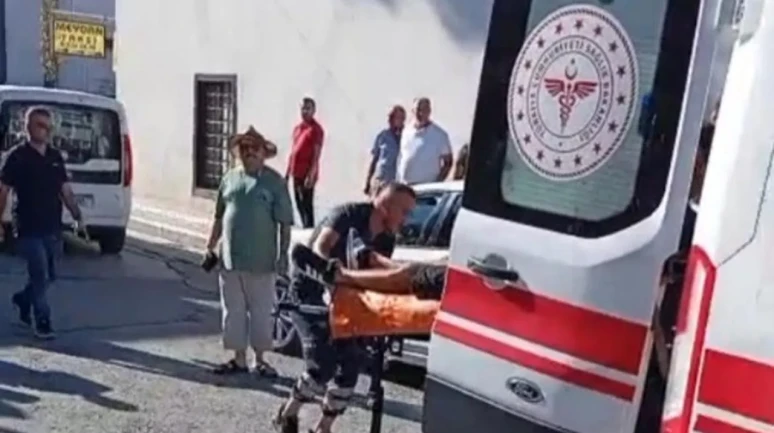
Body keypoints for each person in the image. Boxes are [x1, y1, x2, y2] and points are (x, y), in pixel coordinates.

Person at [273, 182, 417, 433]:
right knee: (322, 364)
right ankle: (288, 414)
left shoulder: (386, 239)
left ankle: (323, 428)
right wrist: (332, 278)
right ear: (386, 206)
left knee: (351, 364)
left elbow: (374, 274)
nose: (407, 219)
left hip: (346, 300)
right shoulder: (348, 215)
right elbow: (321, 247)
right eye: (404, 211)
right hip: (310, 294)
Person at [205, 125, 293, 377]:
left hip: (262, 261)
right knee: (233, 311)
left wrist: (283, 255)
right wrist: (210, 246)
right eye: (244, 147)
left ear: (264, 152)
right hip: (230, 259)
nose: (249, 152)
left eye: (254, 148)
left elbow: (285, 223)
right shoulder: (229, 178)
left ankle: (261, 359)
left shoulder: (274, 182)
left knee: (261, 312)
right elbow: (219, 217)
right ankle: (239, 358)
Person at [0, 106, 84, 339]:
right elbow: (3, 190)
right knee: (39, 274)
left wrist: (77, 215)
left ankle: (23, 299)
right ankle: (43, 321)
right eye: (40, 125)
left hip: (52, 226)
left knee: (50, 276)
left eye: (48, 126)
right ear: (28, 127)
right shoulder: (17, 157)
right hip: (27, 226)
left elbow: (65, 190)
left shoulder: (55, 157)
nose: (45, 130)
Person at [395, 97, 453, 185]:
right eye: (417, 110)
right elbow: (401, 156)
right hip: (406, 185)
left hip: (427, 186)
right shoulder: (406, 131)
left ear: (429, 111)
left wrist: (437, 183)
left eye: (424, 110)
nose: (420, 113)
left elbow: (448, 162)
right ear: (412, 111)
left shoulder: (439, 135)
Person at [286, 97, 324, 228]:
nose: (305, 111)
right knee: (298, 202)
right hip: (296, 171)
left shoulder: (316, 129)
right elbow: (293, 150)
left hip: (307, 172)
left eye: (308, 108)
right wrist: (288, 172)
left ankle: (309, 228)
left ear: (313, 111)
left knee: (306, 203)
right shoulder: (298, 128)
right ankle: (304, 226)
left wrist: (311, 173)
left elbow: (317, 153)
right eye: (303, 108)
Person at [364, 105, 405, 196]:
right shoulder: (383, 136)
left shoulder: (407, 136)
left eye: (402, 118)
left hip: (398, 183)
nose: (400, 121)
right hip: (382, 180)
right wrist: (368, 181)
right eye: (397, 118)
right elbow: (374, 160)